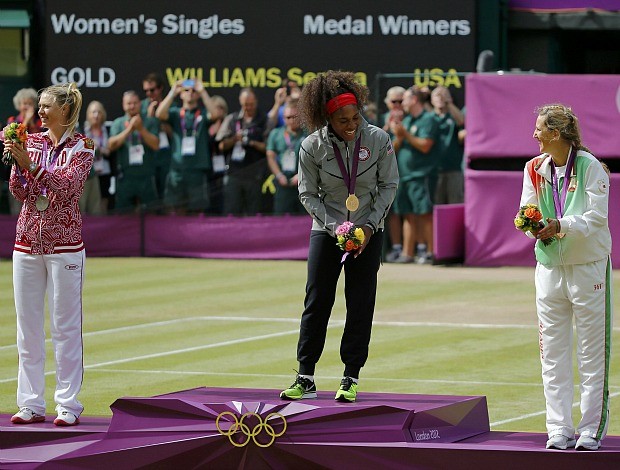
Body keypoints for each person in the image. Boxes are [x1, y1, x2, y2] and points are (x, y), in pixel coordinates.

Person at [280, 70, 398, 403]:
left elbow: (388, 185)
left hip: (368, 232)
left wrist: (368, 227)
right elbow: (307, 193)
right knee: (316, 302)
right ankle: (305, 376)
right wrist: (336, 227)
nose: (351, 125)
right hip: (327, 231)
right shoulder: (311, 146)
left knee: (361, 303)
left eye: (355, 117)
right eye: (342, 120)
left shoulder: (378, 140)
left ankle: (350, 377)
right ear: (327, 119)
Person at [519, 104, 612, 451]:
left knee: (591, 352)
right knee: (552, 354)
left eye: (540, 129)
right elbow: (526, 210)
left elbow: (596, 219)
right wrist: (533, 228)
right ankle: (558, 428)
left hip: (588, 267)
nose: (534, 135)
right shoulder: (533, 168)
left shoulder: (590, 167)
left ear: (556, 134)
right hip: (548, 269)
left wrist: (560, 225)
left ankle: (590, 430)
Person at [4, 82, 94, 427]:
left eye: (46, 106)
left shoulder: (83, 147)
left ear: (66, 110)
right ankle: (29, 403)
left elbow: (67, 188)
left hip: (65, 245)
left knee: (65, 326)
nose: (39, 111)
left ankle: (68, 404)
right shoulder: (32, 141)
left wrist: (31, 166)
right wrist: (19, 163)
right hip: (26, 240)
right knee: (26, 328)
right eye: (39, 106)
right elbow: (18, 189)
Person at [391, 86, 438, 264]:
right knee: (407, 214)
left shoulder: (428, 119)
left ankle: (431, 253)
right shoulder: (407, 119)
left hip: (421, 174)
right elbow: (396, 147)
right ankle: (407, 253)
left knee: (425, 213)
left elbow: (425, 145)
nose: (402, 103)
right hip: (404, 175)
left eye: (405, 99)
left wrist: (406, 134)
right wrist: (400, 136)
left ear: (415, 100)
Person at [156, 79, 217, 214]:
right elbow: (159, 114)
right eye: (186, 91)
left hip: (197, 168)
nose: (190, 93)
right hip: (177, 169)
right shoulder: (176, 113)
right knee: (175, 207)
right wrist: (172, 92)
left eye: (193, 91)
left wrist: (202, 91)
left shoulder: (202, 113)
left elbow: (215, 114)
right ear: (181, 94)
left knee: (197, 208)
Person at [216, 87, 269, 215]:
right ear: (240, 102)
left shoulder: (264, 120)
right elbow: (221, 145)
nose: (248, 107)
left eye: (251, 104)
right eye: (245, 104)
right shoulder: (232, 119)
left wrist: (251, 142)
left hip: (254, 174)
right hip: (234, 173)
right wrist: (234, 139)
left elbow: (268, 147)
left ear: (256, 101)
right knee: (231, 210)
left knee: (253, 211)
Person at [108, 91, 160, 213]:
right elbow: (111, 145)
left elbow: (156, 145)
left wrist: (141, 129)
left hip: (146, 175)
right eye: (129, 103)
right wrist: (129, 129)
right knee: (123, 213)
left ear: (140, 104)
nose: (132, 106)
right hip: (125, 177)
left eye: (135, 103)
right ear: (123, 105)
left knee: (151, 212)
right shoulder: (118, 123)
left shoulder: (150, 121)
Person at [5, 88, 45, 215]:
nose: (27, 107)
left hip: (37, 169)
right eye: (24, 103)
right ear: (19, 105)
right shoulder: (12, 121)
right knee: (17, 209)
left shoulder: (41, 123)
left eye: (30, 103)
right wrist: (26, 121)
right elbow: (14, 139)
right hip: (18, 171)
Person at [266, 102, 306, 214]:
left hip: (303, 181)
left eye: (295, 117)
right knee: (280, 215)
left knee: (304, 217)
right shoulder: (276, 133)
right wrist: (278, 175)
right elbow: (270, 156)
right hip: (283, 179)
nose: (292, 120)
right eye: (288, 117)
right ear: (283, 118)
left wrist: (302, 175)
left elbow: (315, 157)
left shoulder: (308, 133)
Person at [431, 86, 465, 205]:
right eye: (437, 95)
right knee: (436, 205)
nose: (441, 97)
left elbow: (462, 121)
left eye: (444, 95)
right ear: (431, 100)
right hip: (434, 170)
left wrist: (448, 103)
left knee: (455, 203)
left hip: (453, 169)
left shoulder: (453, 116)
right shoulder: (429, 118)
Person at [141, 72, 173, 202]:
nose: (149, 93)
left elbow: (177, 131)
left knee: (167, 194)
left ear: (160, 88)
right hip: (147, 155)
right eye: (146, 91)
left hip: (167, 155)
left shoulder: (170, 105)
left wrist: (164, 125)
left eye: (152, 90)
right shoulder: (142, 106)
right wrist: (150, 118)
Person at [79, 101, 107, 215]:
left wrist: (101, 148)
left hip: (103, 172)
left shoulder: (106, 129)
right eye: (93, 112)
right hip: (85, 175)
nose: (96, 115)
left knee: (97, 208)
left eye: (99, 112)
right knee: (81, 207)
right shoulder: (80, 130)